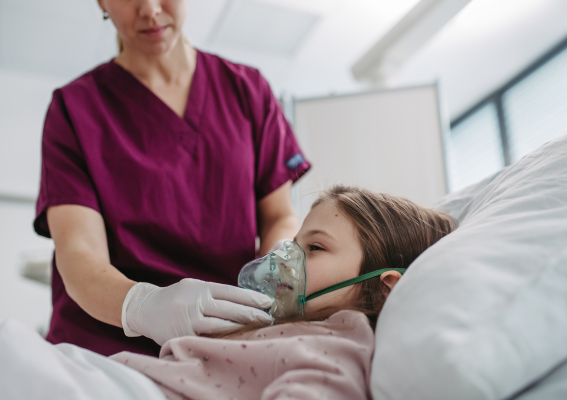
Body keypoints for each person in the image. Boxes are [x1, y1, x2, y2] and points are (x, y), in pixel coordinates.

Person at [33, 0, 310, 357]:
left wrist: (274, 266)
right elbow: (79, 253)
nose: (149, 10)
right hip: (106, 350)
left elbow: (279, 215)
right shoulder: (74, 109)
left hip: (224, 337)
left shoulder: (248, 91)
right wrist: (141, 307)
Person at [108, 185, 458, 399]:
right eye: (292, 244)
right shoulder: (279, 325)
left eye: (315, 247)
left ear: (386, 288)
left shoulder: (337, 343)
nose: (283, 258)